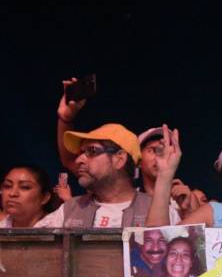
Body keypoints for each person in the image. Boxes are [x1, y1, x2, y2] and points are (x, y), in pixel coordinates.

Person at [51, 78, 179, 227]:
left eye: (91, 151)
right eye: (80, 152)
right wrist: (65, 119)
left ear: (119, 159)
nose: (79, 159)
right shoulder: (67, 211)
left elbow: (161, 247)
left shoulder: (164, 212)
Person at [137, 127, 205, 216]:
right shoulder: (131, 200)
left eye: (164, 150)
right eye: (152, 150)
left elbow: (195, 230)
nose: (159, 156)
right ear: (138, 160)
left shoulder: (187, 198)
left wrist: (187, 211)